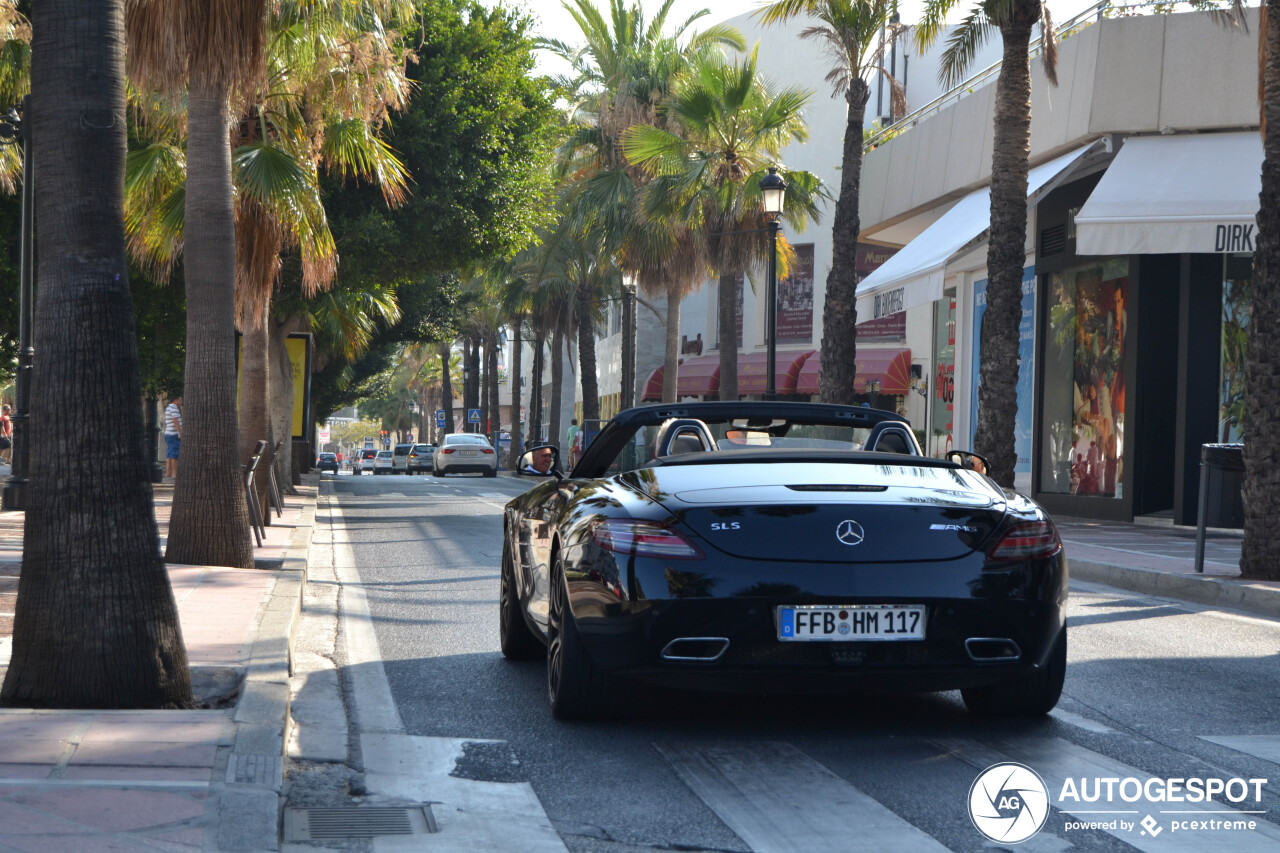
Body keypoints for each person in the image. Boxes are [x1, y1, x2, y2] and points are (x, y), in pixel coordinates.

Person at [163, 394, 182, 479]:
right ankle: (174, 473)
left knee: (169, 453)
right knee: (174, 453)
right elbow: (175, 421)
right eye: (180, 400)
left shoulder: (168, 408)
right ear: (176, 400)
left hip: (168, 433)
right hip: (173, 434)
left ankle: (168, 472)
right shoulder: (174, 409)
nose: (181, 402)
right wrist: (180, 432)